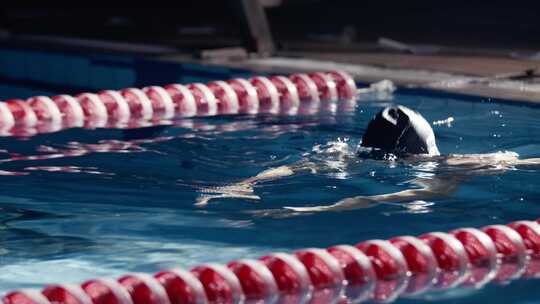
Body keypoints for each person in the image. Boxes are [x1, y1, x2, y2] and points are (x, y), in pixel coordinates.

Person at [195, 105, 540, 214]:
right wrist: (314, 211)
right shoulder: (452, 164)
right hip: (420, 183)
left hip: (376, 179)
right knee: (430, 194)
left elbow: (290, 167)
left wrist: (238, 183)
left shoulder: (346, 156)